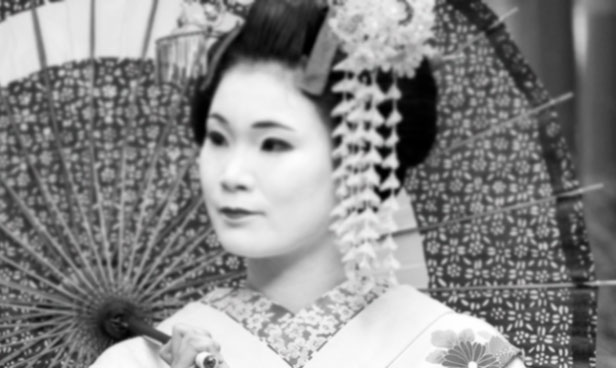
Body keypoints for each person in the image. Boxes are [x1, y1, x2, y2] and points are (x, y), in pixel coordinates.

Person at [91, 0, 526, 367]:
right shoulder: (137, 362)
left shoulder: (465, 354)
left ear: (358, 154)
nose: (232, 174)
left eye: (273, 143)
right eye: (219, 138)